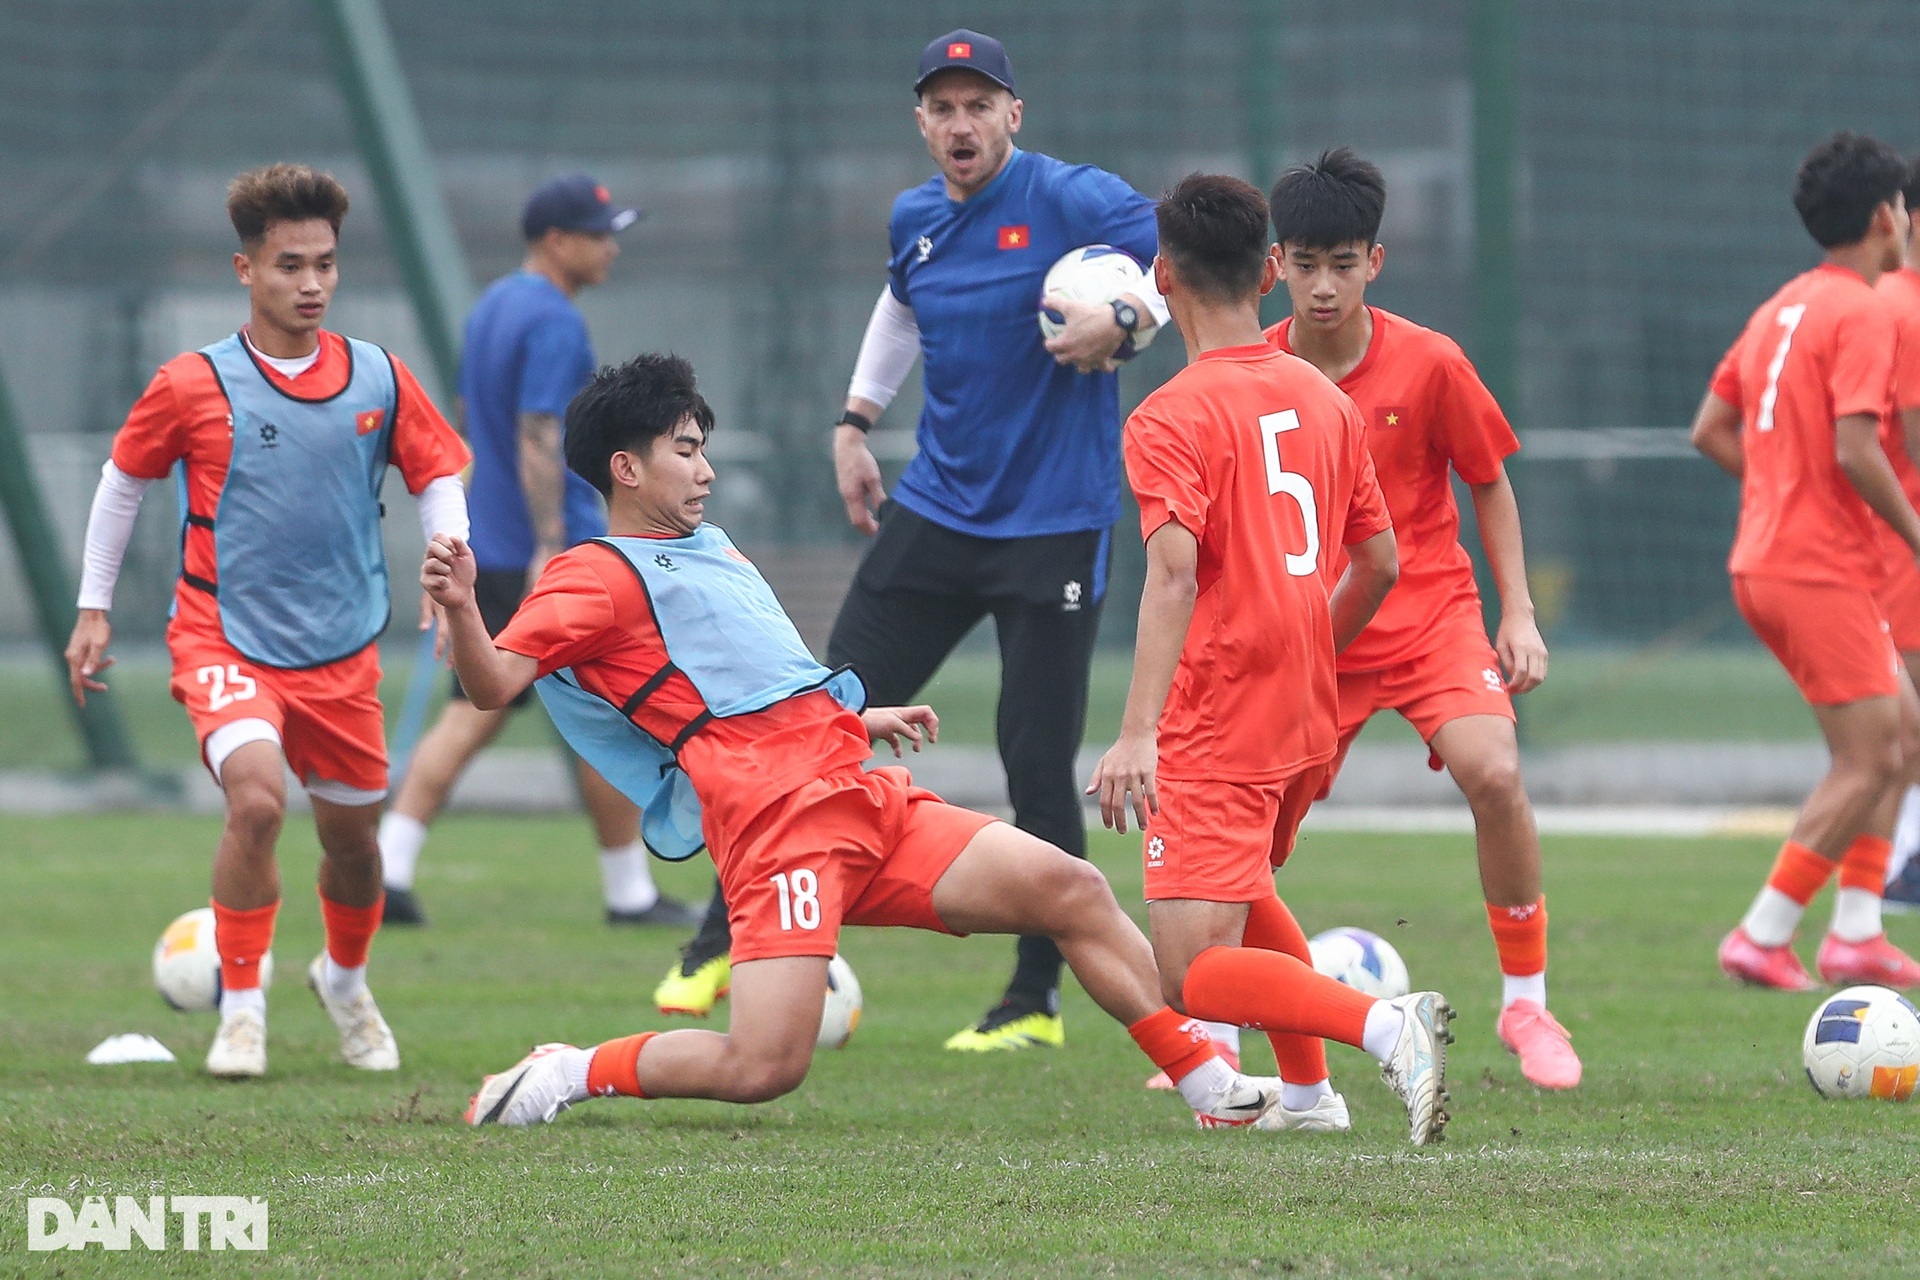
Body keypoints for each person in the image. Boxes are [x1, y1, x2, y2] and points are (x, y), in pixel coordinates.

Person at [430, 353, 1368, 1134]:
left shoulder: (713, 547)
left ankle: (1211, 1086)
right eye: (686, 450)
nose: (706, 469)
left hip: (857, 792)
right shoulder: (591, 577)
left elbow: (752, 679)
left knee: (1072, 888)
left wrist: (854, 716)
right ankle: (568, 1071)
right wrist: (466, 607)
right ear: (626, 470)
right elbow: (494, 684)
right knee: (763, 1067)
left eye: (704, 448)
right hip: (777, 832)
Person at [655, 29, 1185, 1054]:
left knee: (1035, 760)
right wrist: (855, 421)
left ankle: (1033, 999)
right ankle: (721, 936)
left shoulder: (1070, 197)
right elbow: (902, 304)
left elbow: (1184, 257)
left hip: (1053, 526)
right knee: (813, 720)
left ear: (1013, 114)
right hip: (937, 513)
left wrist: (1129, 311)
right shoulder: (916, 219)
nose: (960, 123)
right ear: (921, 122)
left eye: (978, 104)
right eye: (942, 107)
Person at [63, 164, 471, 1077]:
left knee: (354, 846)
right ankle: (242, 1009)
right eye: (291, 265)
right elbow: (123, 481)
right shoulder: (192, 383)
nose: (312, 283)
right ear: (245, 270)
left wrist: (450, 570)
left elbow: (438, 471)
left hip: (341, 647)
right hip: (224, 637)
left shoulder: (378, 376)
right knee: (255, 803)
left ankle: (345, 980)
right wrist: (93, 605)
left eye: (325, 263)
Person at [1087, 174, 1452, 1144]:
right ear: (1267, 273)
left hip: (1217, 713)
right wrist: (1308, 651)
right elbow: (1381, 562)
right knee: (1246, 892)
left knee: (1189, 974)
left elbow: (1173, 578)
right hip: (1302, 708)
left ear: (1163, 277)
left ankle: (1387, 1025)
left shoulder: (1168, 416)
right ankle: (1308, 1096)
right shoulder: (1325, 399)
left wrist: (1137, 733)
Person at [1260, 149, 1581, 1089]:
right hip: (1317, 632)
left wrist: (1517, 614)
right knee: (1255, 832)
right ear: (1276, 266)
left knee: (1496, 773)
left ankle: (1527, 1004)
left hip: (1432, 614)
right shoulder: (1257, 371)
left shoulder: (1432, 361)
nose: (1325, 286)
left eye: (1343, 264)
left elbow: (1489, 481)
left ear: (1376, 262)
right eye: (1306, 265)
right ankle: (1224, 1024)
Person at [376, 174, 698, 930]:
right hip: (542, 551)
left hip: (492, 543)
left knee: (496, 714)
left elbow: (466, 419)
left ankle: (390, 868)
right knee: (599, 713)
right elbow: (538, 435)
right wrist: (552, 543)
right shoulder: (554, 320)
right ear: (556, 242)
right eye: (598, 235)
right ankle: (627, 892)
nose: (611, 248)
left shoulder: (493, 306)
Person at [1690, 131, 1920, 989]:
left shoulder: (1783, 305)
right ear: (1885, 216)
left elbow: (1709, 427)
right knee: (1867, 756)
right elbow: (1861, 447)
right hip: (1815, 565)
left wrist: (1781, 491)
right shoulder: (1865, 309)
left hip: (1773, 558)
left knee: (1902, 735)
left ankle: (1856, 931)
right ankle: (1763, 933)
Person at [1873, 158, 1920, 915]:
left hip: (1886, 541)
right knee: (1901, 727)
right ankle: (1899, 869)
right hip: (1902, 543)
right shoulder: (1903, 305)